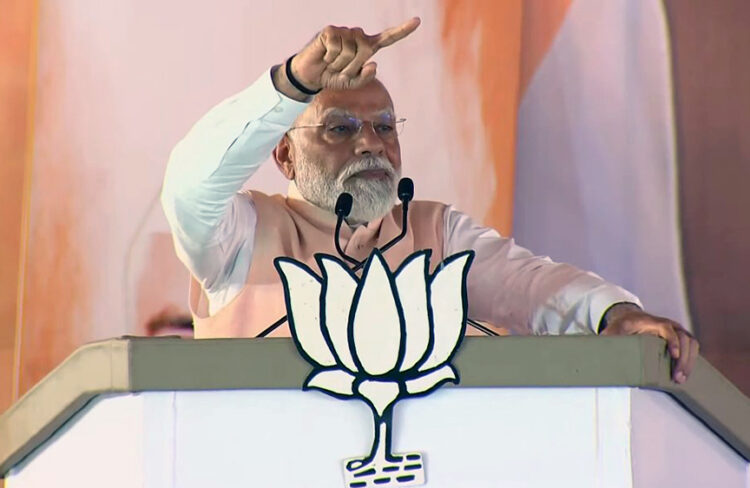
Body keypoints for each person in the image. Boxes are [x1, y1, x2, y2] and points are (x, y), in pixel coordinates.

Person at [161, 18, 699, 383]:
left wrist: (613, 313)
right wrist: (293, 84)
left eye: (384, 126)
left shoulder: (434, 231)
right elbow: (190, 184)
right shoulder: (243, 233)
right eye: (341, 128)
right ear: (285, 158)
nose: (370, 142)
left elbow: (530, 285)